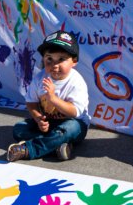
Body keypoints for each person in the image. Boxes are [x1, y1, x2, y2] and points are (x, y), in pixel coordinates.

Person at [7, 30, 90, 162]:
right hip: (49, 124)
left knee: (69, 129)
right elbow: (31, 102)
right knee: (18, 129)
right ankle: (58, 145)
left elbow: (74, 112)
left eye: (61, 59)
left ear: (74, 61)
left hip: (73, 124)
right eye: (49, 59)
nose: (54, 65)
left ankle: (29, 150)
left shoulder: (76, 82)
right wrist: (39, 118)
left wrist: (53, 98)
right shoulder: (40, 78)